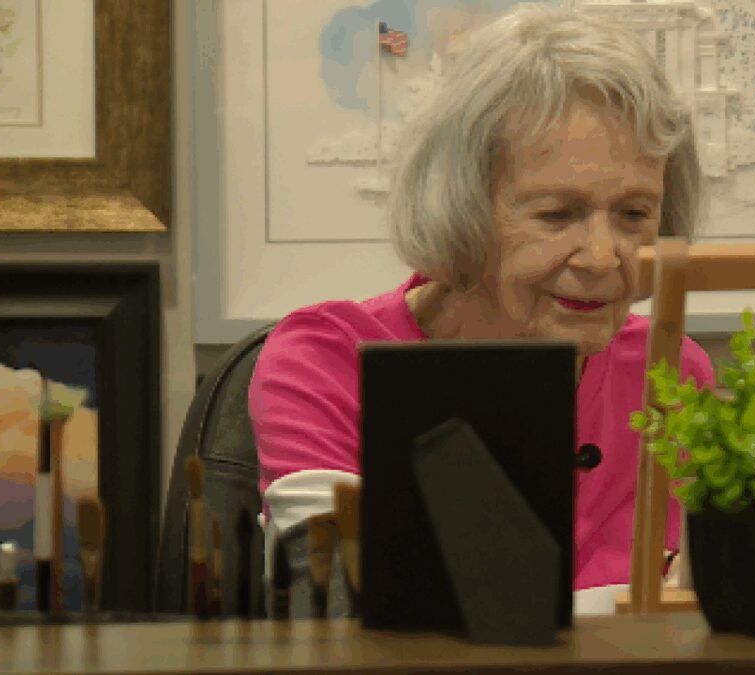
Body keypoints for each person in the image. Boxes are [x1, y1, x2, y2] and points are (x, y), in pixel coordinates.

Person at [249, 4, 714, 604]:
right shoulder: (327, 363)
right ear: (463, 208)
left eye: (633, 215)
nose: (603, 257)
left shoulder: (670, 373)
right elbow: (339, 614)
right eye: (557, 215)